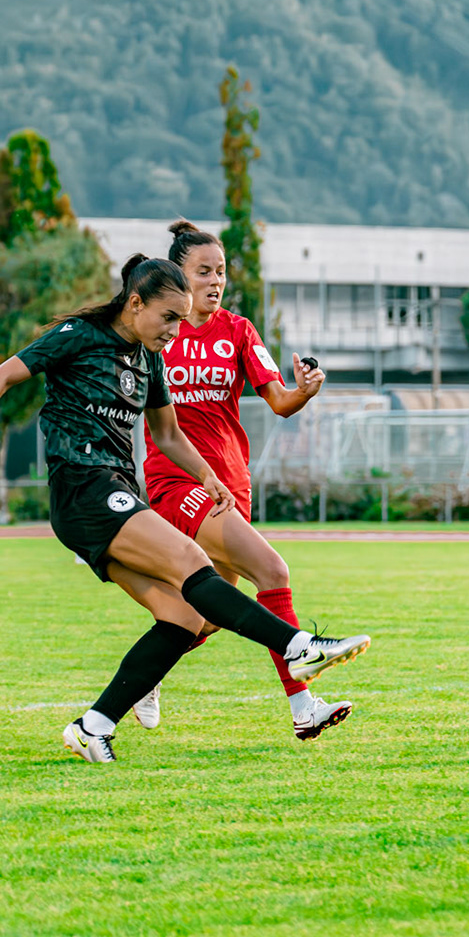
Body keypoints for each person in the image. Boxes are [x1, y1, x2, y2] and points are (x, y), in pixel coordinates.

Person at [0, 254, 371, 764]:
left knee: (182, 617)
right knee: (193, 565)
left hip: (114, 491)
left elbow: (168, 434)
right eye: (169, 317)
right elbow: (3, 374)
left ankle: (93, 725)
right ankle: (298, 646)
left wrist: (208, 475)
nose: (175, 331)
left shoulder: (149, 358)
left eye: (182, 319)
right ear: (135, 303)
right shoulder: (78, 335)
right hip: (83, 487)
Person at [131, 219, 347, 740]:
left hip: (231, 486)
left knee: (205, 616)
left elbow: (279, 402)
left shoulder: (238, 330)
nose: (214, 280)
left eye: (221, 271)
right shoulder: (159, 333)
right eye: (202, 271)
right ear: (176, 277)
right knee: (272, 570)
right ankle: (303, 707)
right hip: (180, 486)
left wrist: (306, 390)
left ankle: (143, 676)